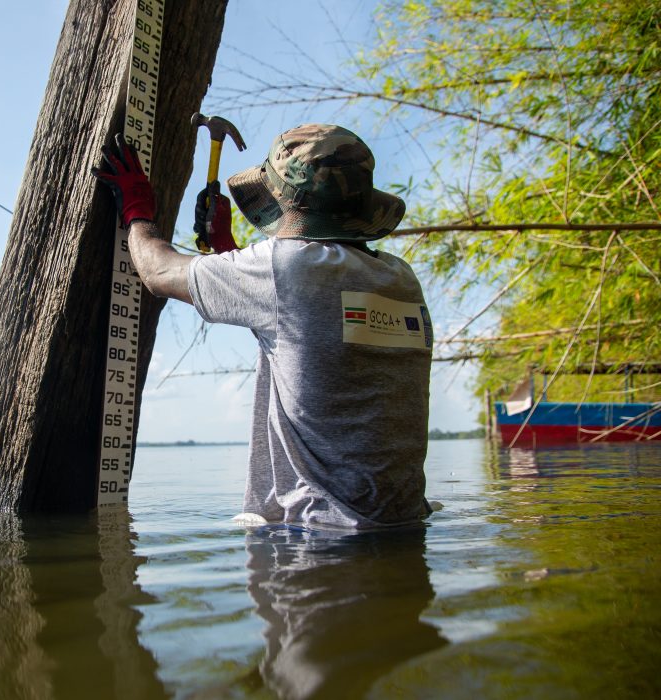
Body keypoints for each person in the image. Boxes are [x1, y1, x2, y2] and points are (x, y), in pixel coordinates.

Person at [93, 124, 433, 529]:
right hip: (404, 525)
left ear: (284, 200)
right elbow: (301, 326)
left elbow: (158, 271)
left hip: (316, 540)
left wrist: (138, 209)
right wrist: (227, 247)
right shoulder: (399, 277)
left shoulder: (285, 268)